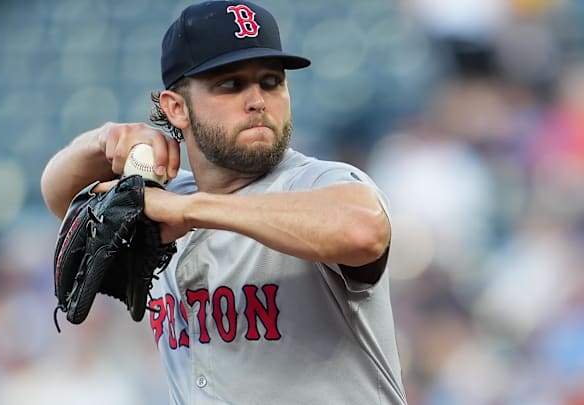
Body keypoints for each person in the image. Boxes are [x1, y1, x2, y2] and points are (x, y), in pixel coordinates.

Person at [40, 1, 408, 404]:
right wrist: (108, 138)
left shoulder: (312, 185)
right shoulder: (161, 201)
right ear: (176, 107)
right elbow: (60, 194)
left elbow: (363, 230)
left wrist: (188, 210)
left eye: (271, 82)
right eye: (231, 84)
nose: (258, 100)